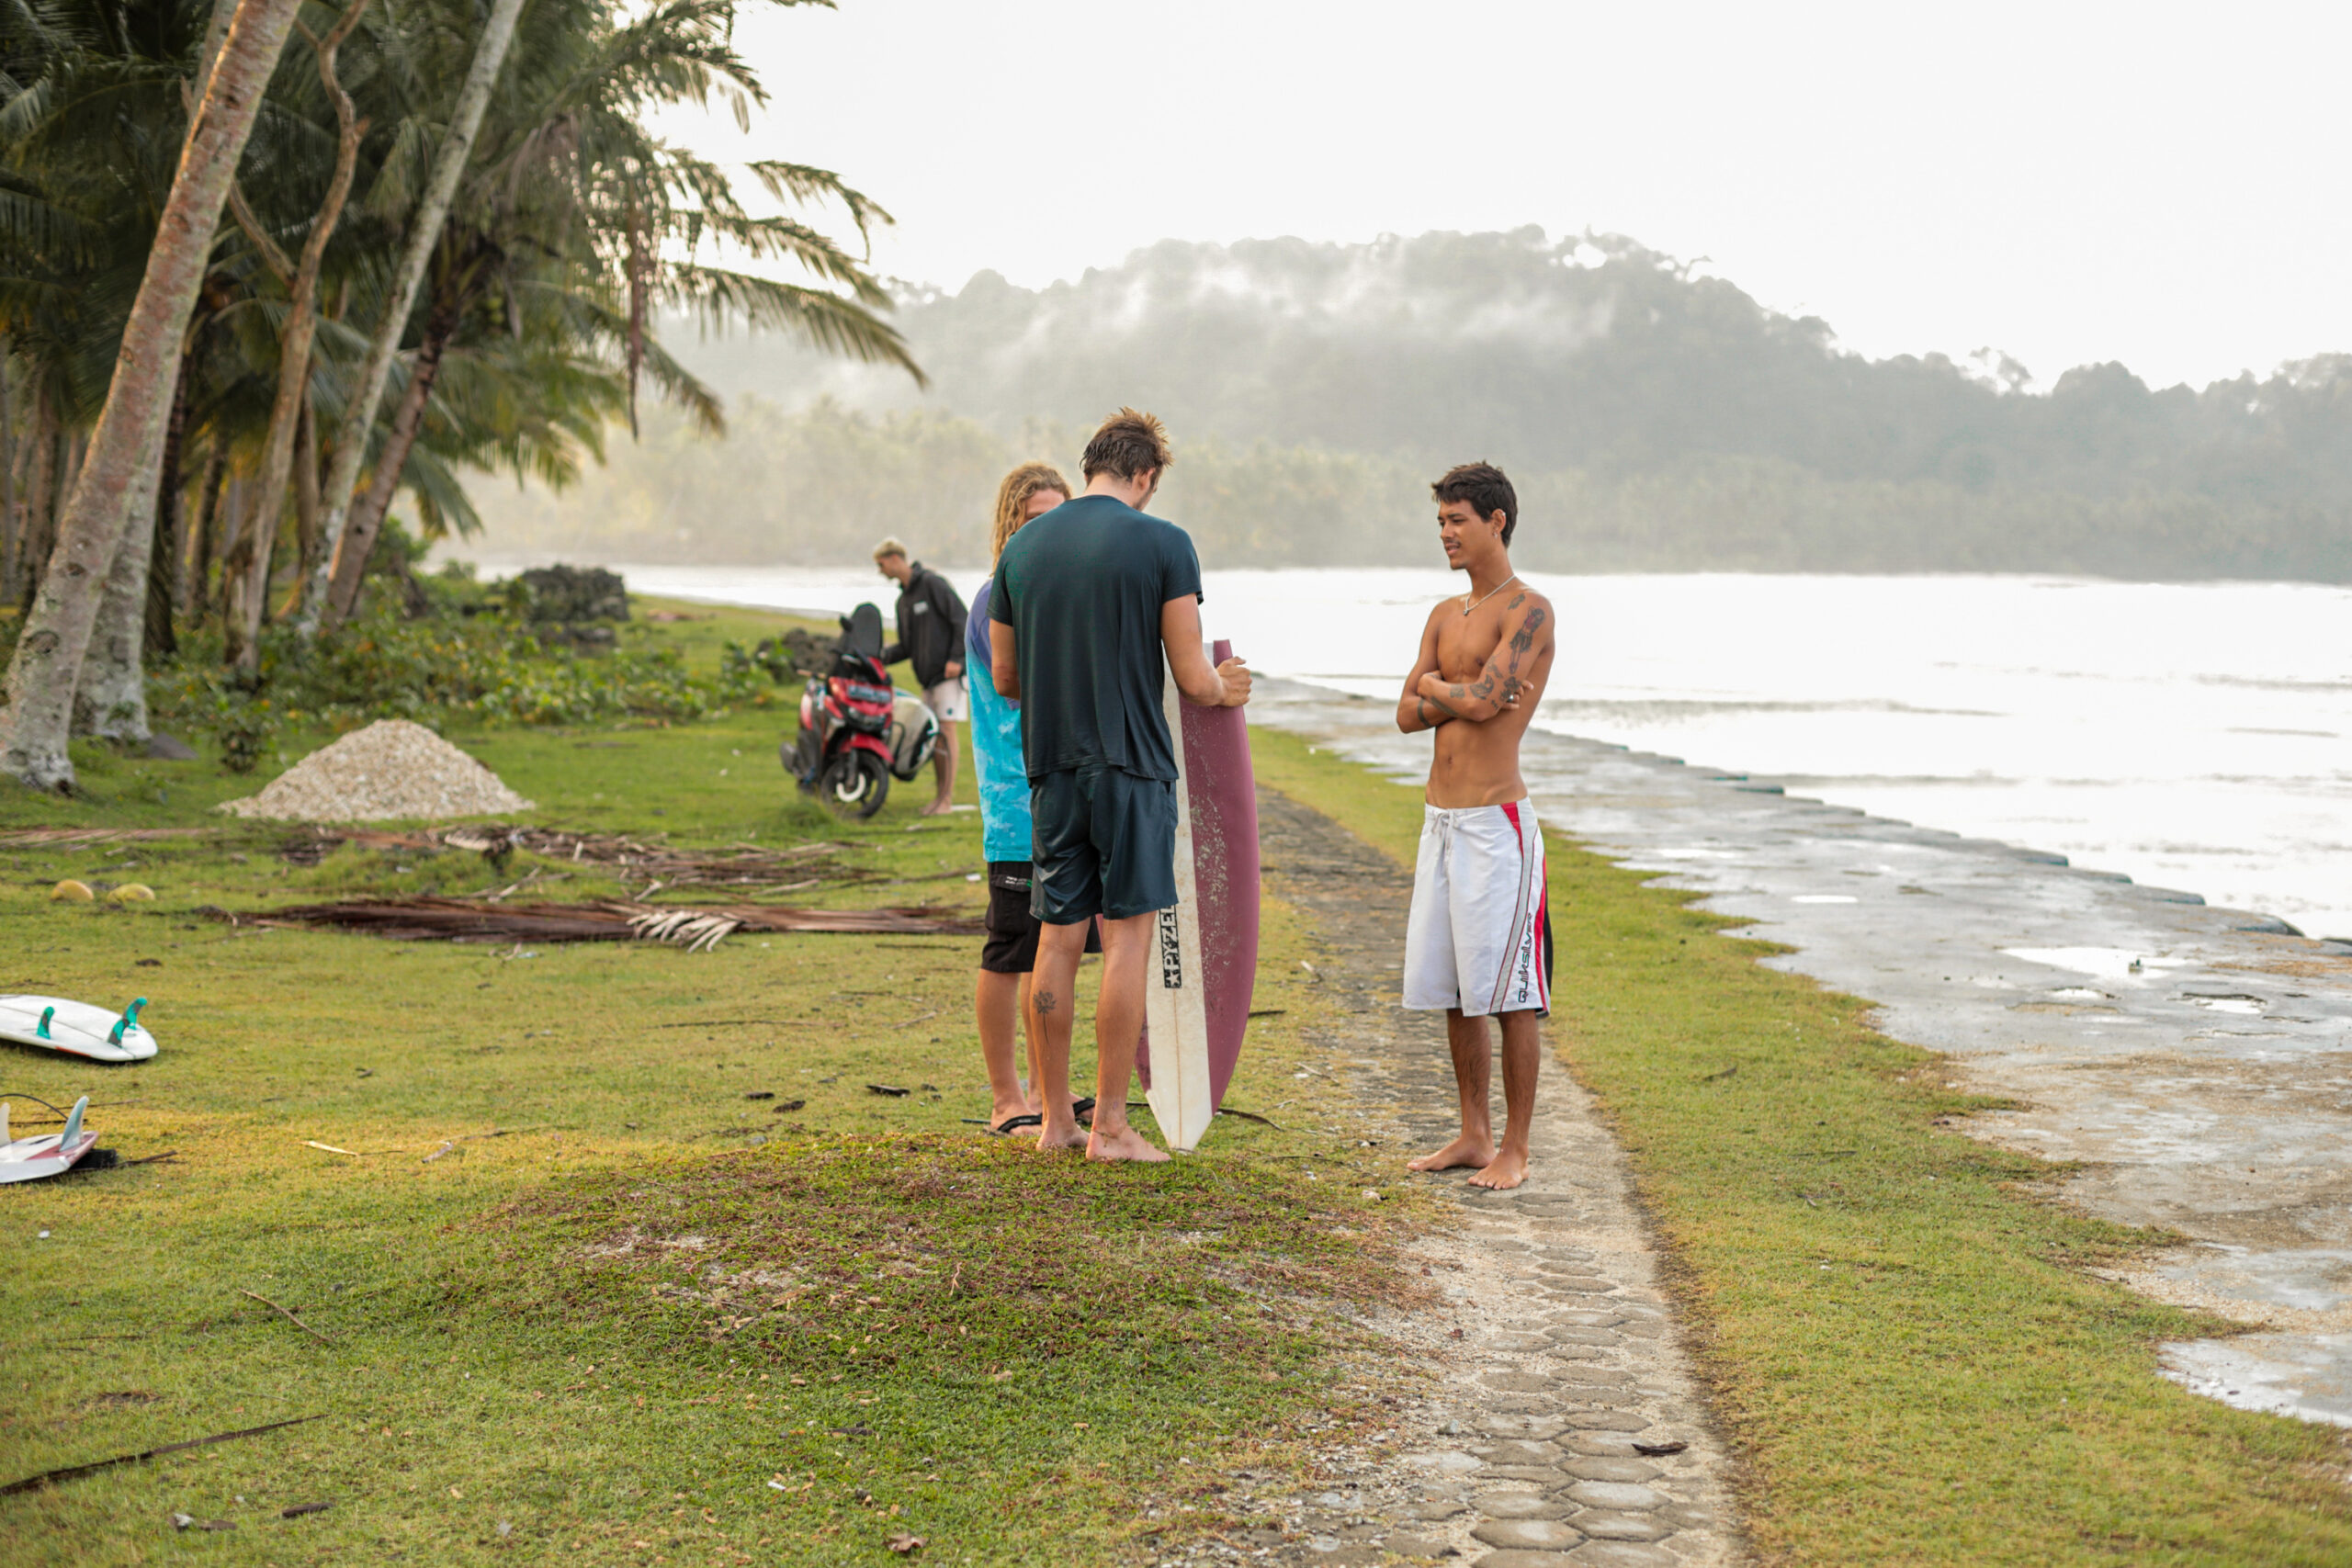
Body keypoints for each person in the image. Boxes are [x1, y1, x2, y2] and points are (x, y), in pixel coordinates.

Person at [989, 409, 1251, 1162]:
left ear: (1091, 465)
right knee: (1129, 934)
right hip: (1132, 766)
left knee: (1058, 938)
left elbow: (1007, 676)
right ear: (1144, 475)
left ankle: (1053, 1123)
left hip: (1051, 771)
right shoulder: (1164, 543)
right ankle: (1108, 1123)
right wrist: (1227, 689)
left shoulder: (1022, 549)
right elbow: (1193, 677)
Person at [1394, 461, 1557, 1190]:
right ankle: (1472, 1132)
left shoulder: (1529, 610)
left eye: (1457, 519)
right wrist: (1446, 690)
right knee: (1457, 988)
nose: (1445, 533)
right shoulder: (1443, 614)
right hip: (1442, 822)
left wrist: (1442, 687)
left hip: (1498, 825)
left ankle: (1515, 1147)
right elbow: (1404, 712)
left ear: (1496, 520)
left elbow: (1493, 703)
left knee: (1512, 990)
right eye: (1440, 522)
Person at [964, 462, 1093, 1134]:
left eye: (1058, 519)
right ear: (1011, 526)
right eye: (1034, 519)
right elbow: (1021, 685)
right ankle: (1005, 1097)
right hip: (1018, 807)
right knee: (1010, 949)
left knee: (1054, 949)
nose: (1048, 533)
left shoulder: (1054, 599)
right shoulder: (996, 601)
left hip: (1067, 798)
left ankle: (1051, 1090)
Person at [873, 537, 969, 816]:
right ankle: (940, 798)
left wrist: (956, 658)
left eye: (881, 564)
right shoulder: (903, 600)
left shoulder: (933, 584)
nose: (880, 571)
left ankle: (946, 801)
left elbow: (961, 619)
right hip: (927, 679)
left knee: (946, 731)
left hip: (949, 675)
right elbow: (906, 646)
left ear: (894, 558)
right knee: (935, 736)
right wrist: (877, 658)